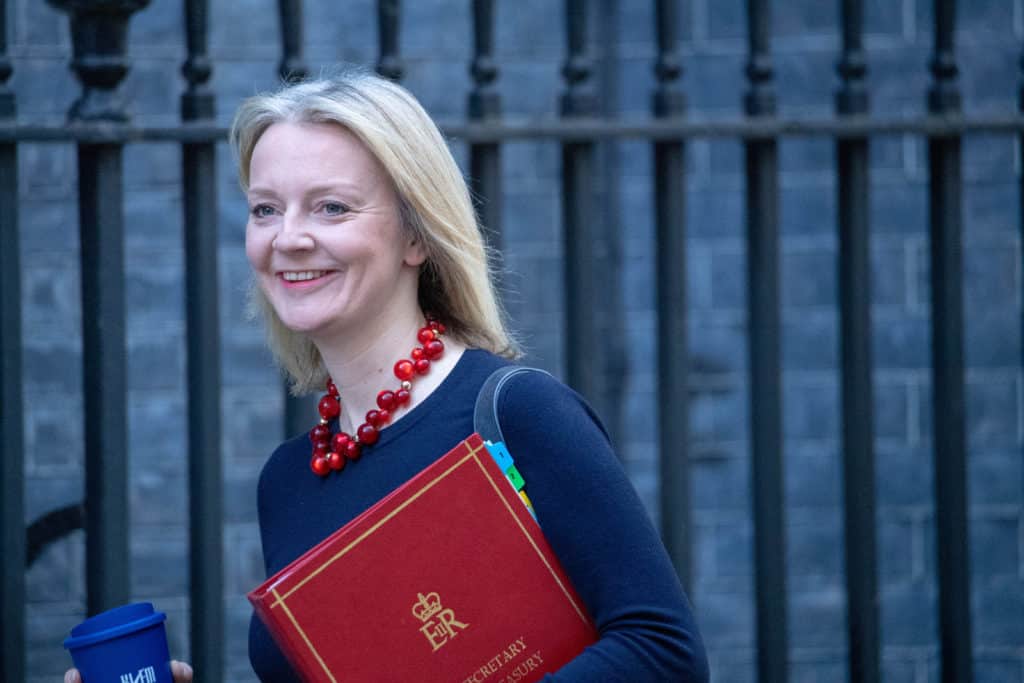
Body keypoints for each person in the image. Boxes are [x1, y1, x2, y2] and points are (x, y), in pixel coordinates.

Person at [71, 67, 709, 682]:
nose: (287, 237)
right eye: (265, 209)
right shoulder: (288, 482)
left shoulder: (518, 414)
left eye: (331, 208)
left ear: (416, 237)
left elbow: (663, 651)